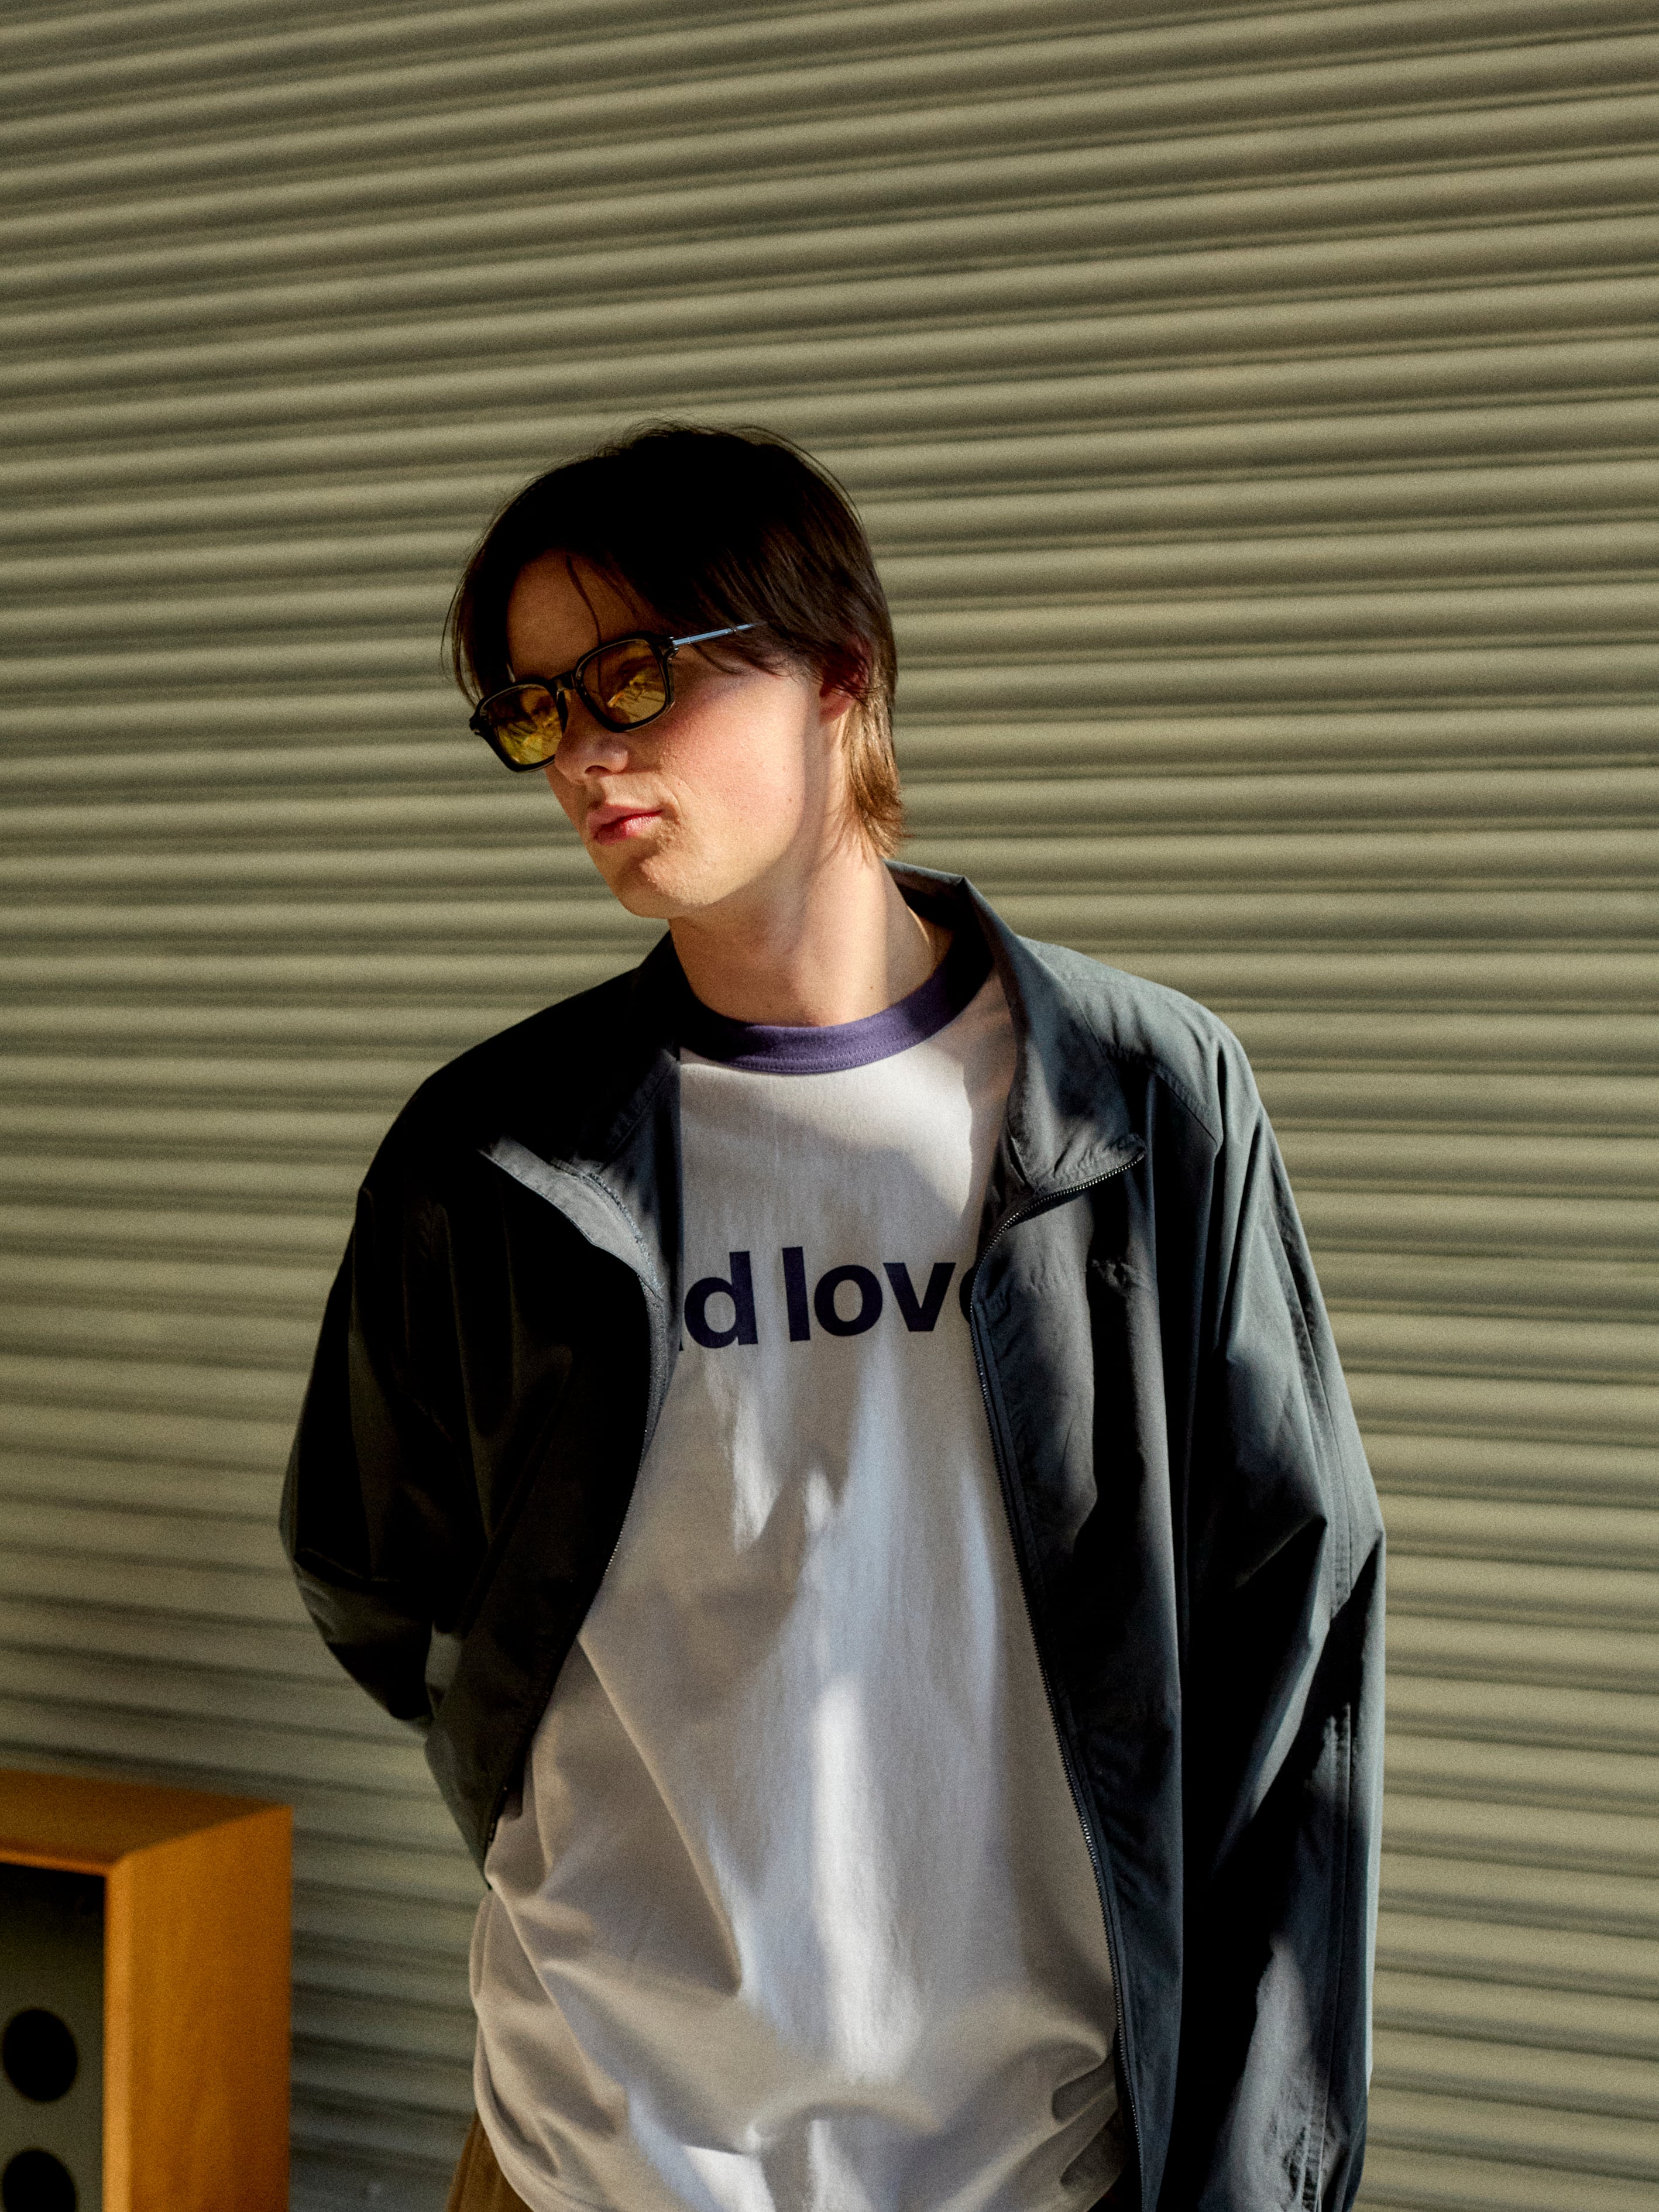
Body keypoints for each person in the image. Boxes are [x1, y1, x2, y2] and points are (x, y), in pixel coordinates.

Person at [283, 424, 1384, 2212]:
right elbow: (377, 1571)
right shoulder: (491, 1158)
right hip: (588, 2150)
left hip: (1026, 2162)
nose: (588, 753)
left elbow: (1290, 1639)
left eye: (635, 676)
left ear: (840, 673)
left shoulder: (1141, 1107)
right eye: (539, 710)